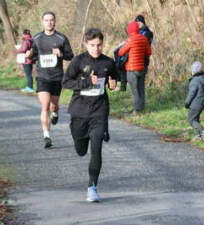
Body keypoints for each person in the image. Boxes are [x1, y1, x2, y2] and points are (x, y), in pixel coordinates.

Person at [62, 28, 117, 202]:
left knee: (96, 148)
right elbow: (66, 82)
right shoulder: (78, 61)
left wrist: (113, 83)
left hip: (99, 111)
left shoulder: (108, 62)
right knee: (81, 150)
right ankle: (80, 139)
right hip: (79, 111)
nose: (96, 48)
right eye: (92, 45)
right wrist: (86, 82)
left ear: (103, 44)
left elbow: (113, 79)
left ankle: (92, 186)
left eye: (99, 45)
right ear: (86, 44)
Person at [28, 11, 74, 148]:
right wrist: (29, 55)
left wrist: (61, 53)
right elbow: (33, 55)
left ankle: (55, 113)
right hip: (42, 77)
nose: (49, 22)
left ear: (55, 21)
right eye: (46, 20)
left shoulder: (61, 38)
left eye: (51, 20)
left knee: (53, 105)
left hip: (57, 77)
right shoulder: (36, 38)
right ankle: (46, 136)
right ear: (42, 22)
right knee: (45, 106)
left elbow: (70, 56)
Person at [119, 21, 152, 115]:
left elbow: (121, 52)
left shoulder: (130, 40)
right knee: (141, 88)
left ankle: (136, 110)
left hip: (131, 69)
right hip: (141, 68)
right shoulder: (144, 39)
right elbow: (149, 52)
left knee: (134, 90)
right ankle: (141, 108)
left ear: (129, 30)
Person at [185, 61, 204, 141]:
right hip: (201, 104)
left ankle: (203, 131)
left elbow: (191, 93)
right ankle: (198, 136)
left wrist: (187, 102)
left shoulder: (195, 80)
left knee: (191, 120)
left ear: (193, 71)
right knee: (196, 119)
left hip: (194, 105)